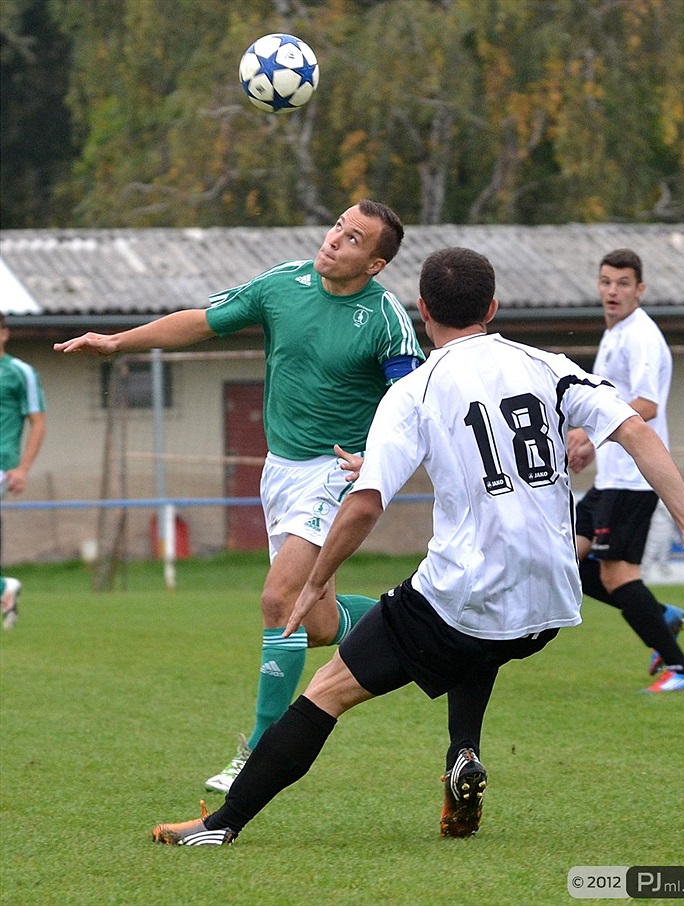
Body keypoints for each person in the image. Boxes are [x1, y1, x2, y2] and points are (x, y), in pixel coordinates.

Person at [151, 247, 684, 846]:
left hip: (468, 587)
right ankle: (463, 754)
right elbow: (636, 431)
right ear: (491, 307)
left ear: (422, 310)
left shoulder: (415, 389)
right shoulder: (547, 364)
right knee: (479, 639)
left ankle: (219, 825)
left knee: (329, 691)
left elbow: (363, 505)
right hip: (551, 594)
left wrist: (315, 582)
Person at [54, 200, 425, 788]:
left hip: (337, 473)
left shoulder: (385, 318)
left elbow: (412, 401)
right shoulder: (284, 283)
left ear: (375, 264)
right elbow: (201, 321)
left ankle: (258, 751)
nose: (334, 241)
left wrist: (378, 457)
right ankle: (410, 623)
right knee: (318, 622)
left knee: (279, 601)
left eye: (353, 239)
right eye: (337, 227)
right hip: (279, 471)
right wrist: (117, 342)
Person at [567, 248, 684, 692]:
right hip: (610, 477)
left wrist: (587, 435)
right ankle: (657, 614)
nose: (612, 291)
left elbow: (645, 403)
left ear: (639, 289)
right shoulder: (615, 334)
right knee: (564, 561)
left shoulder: (641, 335)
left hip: (633, 478)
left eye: (623, 283)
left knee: (617, 575)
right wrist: (589, 442)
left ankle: (683, 670)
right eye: (606, 281)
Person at [0, 312, 47, 630]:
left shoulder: (20, 372)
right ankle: (5, 589)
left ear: (4, 334)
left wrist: (23, 468)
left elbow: (38, 421)